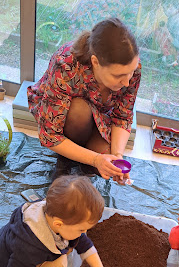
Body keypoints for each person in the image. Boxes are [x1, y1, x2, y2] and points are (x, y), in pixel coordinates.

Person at [27, 18, 141, 183]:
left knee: (107, 162)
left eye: (131, 73)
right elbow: (49, 135)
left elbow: (122, 116)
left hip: (100, 118)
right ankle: (67, 155)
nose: (127, 82)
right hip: (66, 117)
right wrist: (94, 159)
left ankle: (78, 155)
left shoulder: (130, 68)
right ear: (95, 62)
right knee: (79, 111)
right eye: (118, 76)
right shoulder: (66, 64)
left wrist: (117, 156)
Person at [0, 176, 112, 267]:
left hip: (9, 252)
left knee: (66, 250)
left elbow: (84, 244)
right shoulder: (29, 247)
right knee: (60, 264)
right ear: (58, 224)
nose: (84, 232)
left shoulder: (52, 213)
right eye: (81, 229)